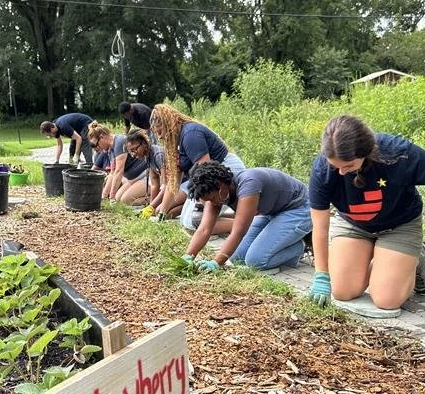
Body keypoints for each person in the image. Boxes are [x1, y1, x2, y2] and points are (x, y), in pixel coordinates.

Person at [308, 115, 425, 310]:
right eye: (335, 166)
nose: (340, 172)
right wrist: (321, 275)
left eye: (348, 166)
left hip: (399, 225)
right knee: (342, 291)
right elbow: (320, 226)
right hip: (354, 225)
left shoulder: (398, 154)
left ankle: (417, 257)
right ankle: (384, 260)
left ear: (364, 152)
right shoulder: (323, 170)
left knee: (386, 300)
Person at [183, 161, 312, 272]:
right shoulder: (215, 195)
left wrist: (216, 263)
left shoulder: (249, 184)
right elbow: (204, 229)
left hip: (299, 208)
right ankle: (284, 242)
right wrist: (188, 257)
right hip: (272, 212)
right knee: (236, 258)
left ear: (220, 186)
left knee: (255, 261)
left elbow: (238, 232)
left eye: (211, 199)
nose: (211, 203)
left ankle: (298, 247)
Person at [149, 103, 245, 229]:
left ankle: (245, 224)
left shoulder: (190, 135)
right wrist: (161, 214)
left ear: (169, 123)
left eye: (160, 131)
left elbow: (207, 172)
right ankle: (238, 217)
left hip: (223, 170)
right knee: (185, 220)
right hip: (206, 176)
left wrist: (204, 206)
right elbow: (173, 182)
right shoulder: (174, 143)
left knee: (196, 220)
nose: (159, 136)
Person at [87, 121, 148, 204]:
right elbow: (112, 173)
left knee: (125, 200)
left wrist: (111, 196)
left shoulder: (119, 142)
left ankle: (152, 197)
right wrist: (104, 196)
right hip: (132, 178)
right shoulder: (109, 149)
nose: (97, 148)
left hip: (144, 175)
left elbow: (119, 171)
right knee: (118, 197)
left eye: (97, 144)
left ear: (102, 137)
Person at [125, 128, 169, 215]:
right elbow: (154, 184)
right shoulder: (147, 156)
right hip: (170, 188)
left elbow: (166, 186)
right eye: (131, 151)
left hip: (179, 185)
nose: (133, 154)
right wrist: (151, 206)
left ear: (144, 143)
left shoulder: (158, 155)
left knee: (159, 211)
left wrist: (151, 207)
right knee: (155, 211)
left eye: (135, 149)